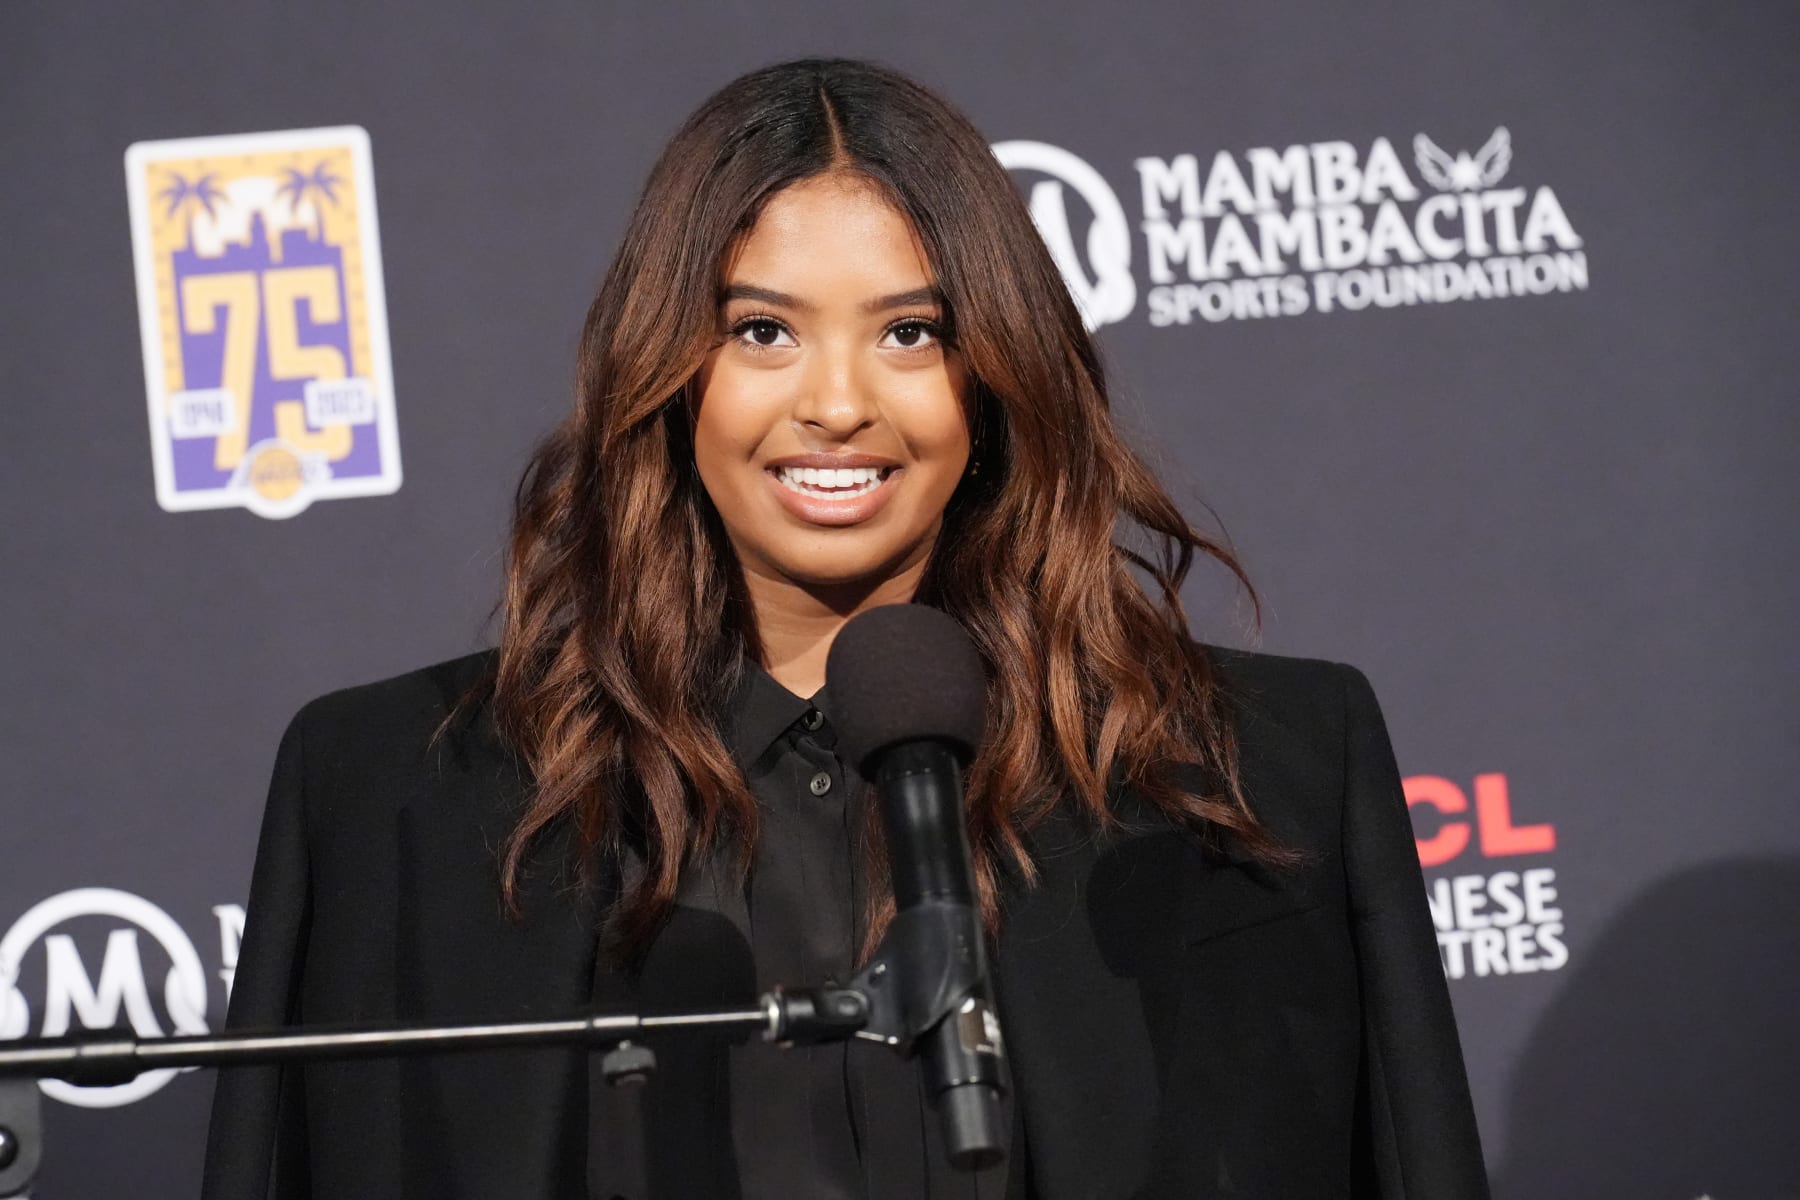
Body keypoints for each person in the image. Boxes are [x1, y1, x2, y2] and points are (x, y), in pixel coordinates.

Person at [200, 56, 1490, 1200]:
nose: (835, 402)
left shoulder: (1270, 771)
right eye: (763, 331)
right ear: (670, 377)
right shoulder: (388, 794)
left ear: (992, 375)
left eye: (909, 333)